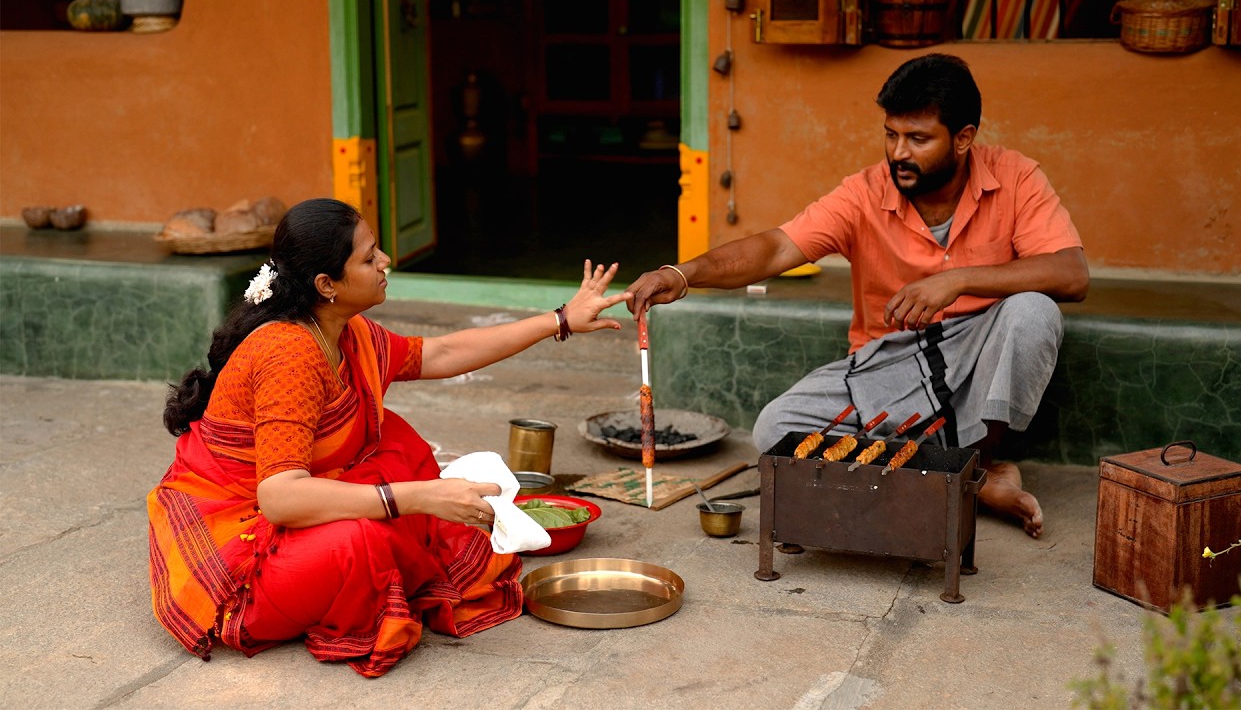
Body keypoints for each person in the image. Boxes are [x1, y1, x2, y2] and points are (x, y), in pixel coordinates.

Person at [148, 198, 629, 677]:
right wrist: (423, 497)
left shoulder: (342, 329)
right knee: (360, 542)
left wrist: (561, 320)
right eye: (369, 256)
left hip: (292, 501)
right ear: (326, 284)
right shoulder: (290, 353)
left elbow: (436, 354)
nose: (385, 263)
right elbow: (278, 497)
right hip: (242, 549)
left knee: (396, 446)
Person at [626, 54, 1088, 539]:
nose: (899, 153)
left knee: (1033, 311)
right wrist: (682, 273)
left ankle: (981, 464)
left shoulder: (1015, 177)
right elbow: (777, 246)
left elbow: (1071, 274)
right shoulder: (863, 194)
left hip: (979, 352)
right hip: (889, 364)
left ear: (964, 138)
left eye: (918, 138)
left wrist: (958, 280)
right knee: (775, 431)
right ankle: (960, 474)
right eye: (891, 135)